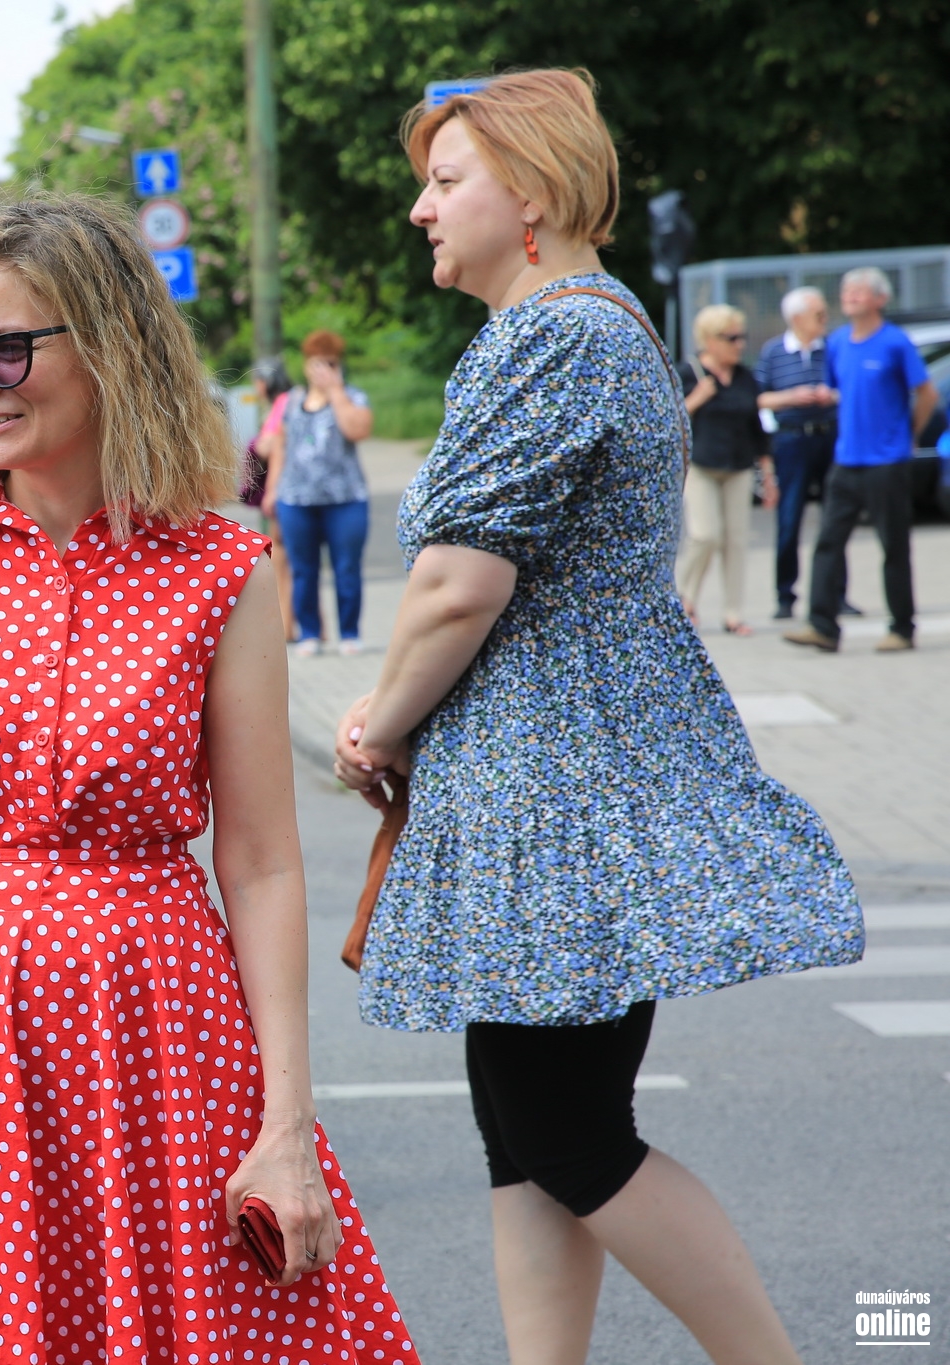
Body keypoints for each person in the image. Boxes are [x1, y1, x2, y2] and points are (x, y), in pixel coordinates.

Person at [0, 195, 419, 1365]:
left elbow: (260, 863)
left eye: (6, 352)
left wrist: (285, 1122)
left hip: (156, 1034)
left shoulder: (222, 567)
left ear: (110, 341)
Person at [337, 69, 861, 1365]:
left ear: (533, 192)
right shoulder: (597, 323)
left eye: (444, 181)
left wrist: (378, 723)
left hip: (555, 784)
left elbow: (458, 586)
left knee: (566, 1136)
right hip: (574, 772)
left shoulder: (554, 336)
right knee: (527, 1139)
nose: (419, 209)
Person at [785, 266, 941, 653]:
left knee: (893, 545)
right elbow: (842, 390)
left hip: (886, 461)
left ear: (880, 299)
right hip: (846, 459)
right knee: (828, 541)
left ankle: (901, 628)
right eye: (847, 290)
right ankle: (822, 625)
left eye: (860, 290)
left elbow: (927, 394)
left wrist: (909, 434)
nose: (850, 296)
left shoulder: (894, 342)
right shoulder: (838, 342)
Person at [270, 329, 376, 654]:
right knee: (303, 570)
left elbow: (357, 430)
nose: (324, 370)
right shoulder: (291, 401)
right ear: (306, 365)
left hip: (345, 499)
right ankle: (310, 634)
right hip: (296, 499)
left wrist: (336, 391)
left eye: (331, 363)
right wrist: (272, 491)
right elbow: (280, 447)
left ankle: (349, 633)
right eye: (318, 363)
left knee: (347, 567)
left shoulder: (353, 397)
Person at [674, 303, 773, 635]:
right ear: (709, 339)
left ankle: (733, 613)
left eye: (741, 337)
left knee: (736, 541)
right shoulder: (689, 373)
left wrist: (767, 474)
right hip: (701, 465)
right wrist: (697, 398)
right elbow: (672, 419)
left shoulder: (745, 377)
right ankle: (684, 598)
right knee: (705, 535)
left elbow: (757, 426)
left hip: (739, 465)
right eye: (731, 338)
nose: (739, 344)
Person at [754, 286, 839, 619]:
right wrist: (791, 397)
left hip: (828, 435)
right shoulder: (774, 351)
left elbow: (846, 389)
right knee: (789, 517)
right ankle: (785, 595)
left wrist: (829, 396)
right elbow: (759, 397)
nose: (825, 319)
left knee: (835, 516)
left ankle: (836, 593)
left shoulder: (831, 348)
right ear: (798, 318)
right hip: (792, 439)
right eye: (819, 314)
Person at [247, 359, 299, 638]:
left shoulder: (281, 404)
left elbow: (269, 445)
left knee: (282, 557)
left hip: (287, 488)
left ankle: (286, 624)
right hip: (301, 488)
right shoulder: (297, 398)